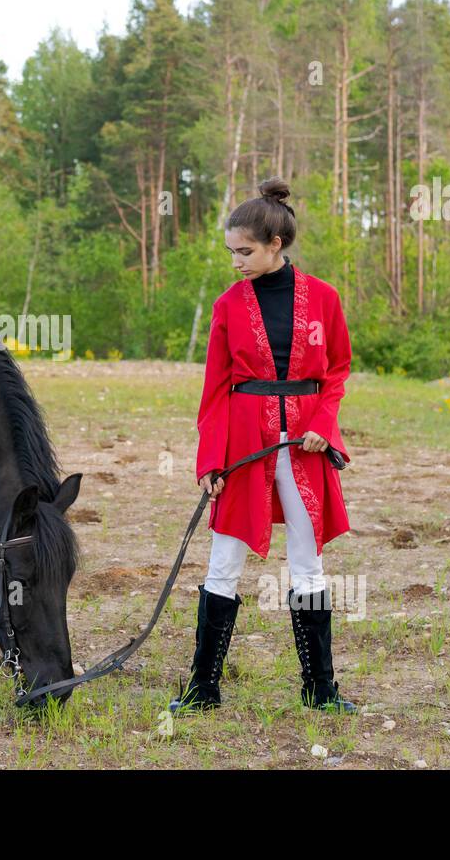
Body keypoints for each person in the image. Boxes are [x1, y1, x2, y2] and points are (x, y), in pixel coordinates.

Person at [170, 177, 357, 715]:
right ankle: (203, 688)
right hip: (244, 446)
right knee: (223, 561)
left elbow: (338, 370)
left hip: (305, 445)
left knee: (308, 562)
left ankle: (320, 689)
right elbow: (214, 389)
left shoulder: (324, 299)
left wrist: (324, 421)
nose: (236, 262)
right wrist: (210, 459)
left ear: (276, 243)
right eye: (231, 252)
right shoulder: (228, 305)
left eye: (245, 252)